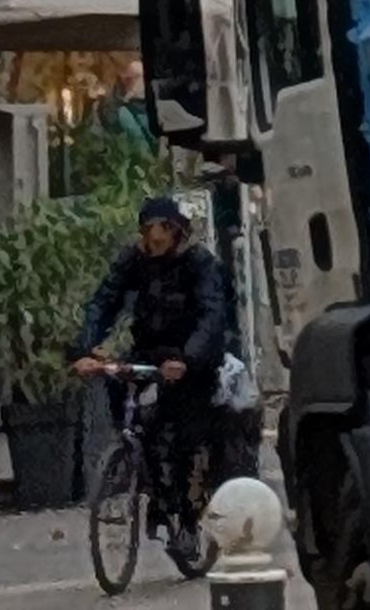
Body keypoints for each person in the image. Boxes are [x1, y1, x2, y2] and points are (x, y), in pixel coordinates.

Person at [71, 195, 236, 560]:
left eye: (160, 230)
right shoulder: (134, 260)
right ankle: (134, 461)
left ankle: (189, 522)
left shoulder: (199, 263)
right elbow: (104, 302)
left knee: (184, 436)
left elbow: (212, 317)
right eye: (146, 230)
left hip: (190, 361)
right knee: (122, 391)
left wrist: (189, 359)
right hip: (149, 354)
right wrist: (84, 349)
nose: (152, 238)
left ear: (175, 231)